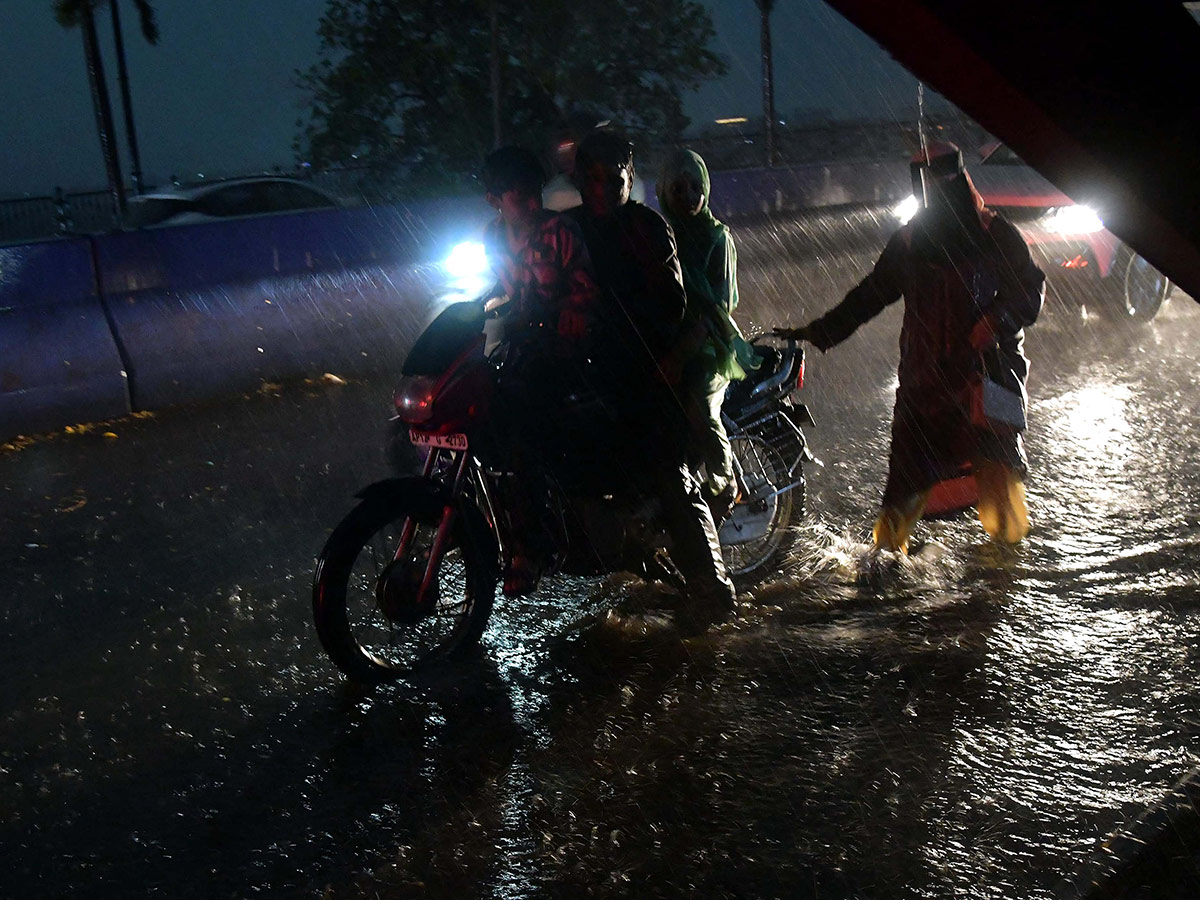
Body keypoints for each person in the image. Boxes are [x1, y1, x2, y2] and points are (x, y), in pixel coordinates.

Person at [774, 141, 1045, 553]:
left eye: (944, 181)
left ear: (959, 179)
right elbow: (870, 295)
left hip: (986, 379)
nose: (937, 192)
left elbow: (1030, 290)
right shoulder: (909, 243)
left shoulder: (996, 235)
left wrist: (995, 321)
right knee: (905, 479)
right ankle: (884, 561)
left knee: (997, 476)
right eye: (928, 183)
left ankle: (1006, 564)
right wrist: (820, 331)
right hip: (926, 384)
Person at [565, 129, 737, 629]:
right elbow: (538, 278)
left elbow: (671, 301)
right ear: (578, 179)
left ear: (628, 177)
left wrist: (617, 322)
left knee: (667, 469)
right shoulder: (567, 229)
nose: (602, 189)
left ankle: (711, 586)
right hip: (585, 367)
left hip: (645, 367)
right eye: (591, 178)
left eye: (613, 178)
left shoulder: (647, 227)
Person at [479, 145, 599, 595]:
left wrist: (569, 313)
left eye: (535, 193)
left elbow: (586, 291)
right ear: (494, 199)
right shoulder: (491, 237)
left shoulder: (561, 231)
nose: (531, 204)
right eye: (518, 196)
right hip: (520, 347)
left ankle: (531, 545)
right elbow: (497, 291)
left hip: (564, 353)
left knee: (523, 424)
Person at [656, 148, 759, 520]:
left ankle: (723, 480)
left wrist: (684, 350)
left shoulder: (716, 237)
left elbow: (722, 302)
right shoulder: (660, 234)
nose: (688, 197)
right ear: (664, 191)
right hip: (669, 335)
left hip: (711, 343)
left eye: (695, 188)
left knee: (700, 400)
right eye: (678, 189)